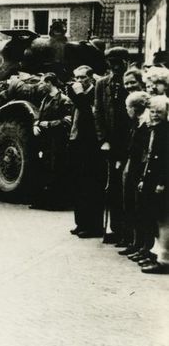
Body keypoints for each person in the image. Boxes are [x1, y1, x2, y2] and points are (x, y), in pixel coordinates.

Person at [94, 47, 130, 245]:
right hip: (111, 142)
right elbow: (98, 113)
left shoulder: (132, 81)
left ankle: (128, 230)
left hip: (130, 141)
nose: (115, 67)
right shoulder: (102, 84)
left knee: (128, 187)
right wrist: (103, 140)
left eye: (119, 63)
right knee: (113, 187)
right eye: (111, 63)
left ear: (126, 62)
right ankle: (115, 229)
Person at [67, 65, 105, 238]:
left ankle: (93, 226)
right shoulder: (78, 95)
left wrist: (79, 94)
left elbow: (90, 115)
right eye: (77, 78)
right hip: (77, 142)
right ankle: (81, 222)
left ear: (90, 78)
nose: (79, 81)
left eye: (82, 77)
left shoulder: (93, 93)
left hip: (90, 145)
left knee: (91, 186)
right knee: (77, 184)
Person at [31, 73, 73, 209]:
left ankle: (56, 202)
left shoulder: (64, 100)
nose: (41, 85)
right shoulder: (45, 99)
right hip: (45, 140)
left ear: (50, 83)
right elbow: (39, 116)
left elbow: (67, 121)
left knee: (56, 170)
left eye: (43, 83)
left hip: (57, 141)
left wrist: (48, 124)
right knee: (44, 169)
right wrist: (36, 125)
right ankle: (43, 201)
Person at [118, 91, 152, 257]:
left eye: (128, 107)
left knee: (140, 207)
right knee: (131, 203)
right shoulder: (136, 123)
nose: (126, 110)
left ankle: (142, 245)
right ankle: (135, 242)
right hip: (133, 164)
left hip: (140, 166)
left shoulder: (144, 125)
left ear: (135, 108)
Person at [138, 96, 169, 273]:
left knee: (164, 221)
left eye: (159, 112)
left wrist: (162, 182)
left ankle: (164, 260)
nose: (155, 115)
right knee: (157, 219)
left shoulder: (165, 131)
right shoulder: (155, 129)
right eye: (153, 112)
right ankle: (158, 255)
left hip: (161, 182)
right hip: (152, 178)